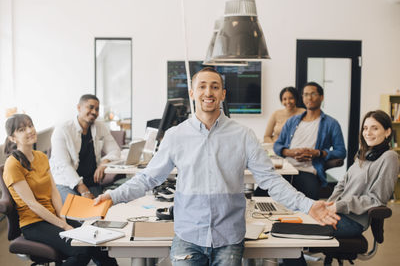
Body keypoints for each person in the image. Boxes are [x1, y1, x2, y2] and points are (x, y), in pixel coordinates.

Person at [94, 68, 340, 266]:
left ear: (223, 94)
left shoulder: (243, 135)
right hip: (188, 236)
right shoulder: (175, 136)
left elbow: (271, 180)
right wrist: (113, 196)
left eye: (214, 86)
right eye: (202, 86)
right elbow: (148, 178)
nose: (208, 92)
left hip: (228, 238)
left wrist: (308, 205)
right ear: (192, 92)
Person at [284, 110, 399, 266]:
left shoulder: (389, 157)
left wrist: (339, 206)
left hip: (353, 221)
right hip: (338, 212)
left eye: (374, 128)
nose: (368, 133)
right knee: (289, 224)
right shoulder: (364, 154)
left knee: (293, 235)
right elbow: (342, 184)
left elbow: (377, 199)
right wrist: (329, 205)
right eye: (365, 128)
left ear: (387, 132)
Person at [2, 114, 117, 266]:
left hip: (53, 217)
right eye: (22, 129)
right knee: (81, 250)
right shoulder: (13, 165)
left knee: (98, 243)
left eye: (30, 126)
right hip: (33, 224)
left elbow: (54, 192)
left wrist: (62, 219)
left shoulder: (41, 157)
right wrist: (63, 226)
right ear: (12, 138)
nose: (30, 131)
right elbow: (32, 204)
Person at [266, 82, 347, 200]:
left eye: (313, 94)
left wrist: (318, 153)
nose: (309, 97)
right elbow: (278, 145)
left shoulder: (331, 124)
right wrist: (291, 152)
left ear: (321, 97)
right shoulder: (292, 121)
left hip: (308, 170)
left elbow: (341, 151)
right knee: (261, 194)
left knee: (309, 201)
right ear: (303, 98)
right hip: (286, 169)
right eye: (306, 94)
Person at [50, 94, 121, 202]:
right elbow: (63, 165)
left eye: (97, 109)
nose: (94, 112)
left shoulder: (100, 126)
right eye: (90, 107)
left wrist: (104, 163)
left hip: (91, 182)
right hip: (66, 182)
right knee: (79, 214)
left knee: (103, 211)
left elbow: (115, 150)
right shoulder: (62, 130)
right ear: (79, 108)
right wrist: (83, 190)